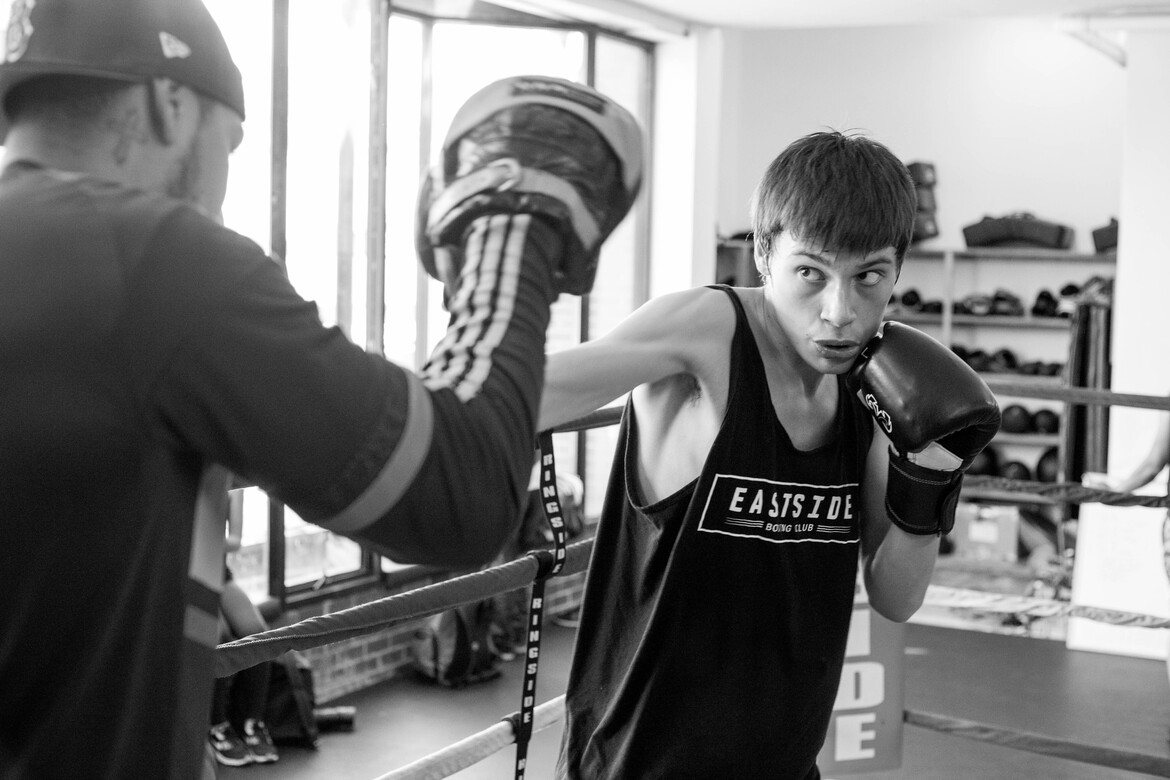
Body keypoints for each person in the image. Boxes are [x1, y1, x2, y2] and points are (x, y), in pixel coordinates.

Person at [0, 0, 643, 778]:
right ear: (168, 104)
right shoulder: (149, 262)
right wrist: (512, 229)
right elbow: (459, 491)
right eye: (229, 145)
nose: (222, 191)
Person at [540, 131, 1000, 779]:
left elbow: (897, 596)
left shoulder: (874, 386)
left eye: (868, 277)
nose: (839, 312)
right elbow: (530, 398)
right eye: (810, 273)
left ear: (897, 271)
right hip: (638, 765)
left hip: (785, 765)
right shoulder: (707, 331)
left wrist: (931, 475)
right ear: (763, 254)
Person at [207, 569, 279, 768]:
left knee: (257, 634)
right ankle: (217, 726)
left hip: (215, 571)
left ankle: (252, 722)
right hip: (179, 576)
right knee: (220, 637)